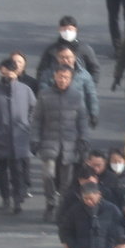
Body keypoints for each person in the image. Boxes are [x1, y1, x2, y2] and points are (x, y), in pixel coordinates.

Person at [32, 65, 89, 221]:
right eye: (60, 76)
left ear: (70, 79)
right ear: (55, 76)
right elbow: (37, 119)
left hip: (69, 145)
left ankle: (62, 208)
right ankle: (50, 202)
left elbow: (82, 120)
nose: (62, 80)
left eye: (66, 77)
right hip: (49, 142)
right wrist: (35, 139)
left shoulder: (77, 96)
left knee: (66, 181)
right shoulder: (44, 95)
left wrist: (84, 138)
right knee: (48, 175)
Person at [0, 58, 35, 215]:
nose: (9, 73)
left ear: (17, 71)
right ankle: (5, 198)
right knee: (2, 170)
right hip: (0, 137)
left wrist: (27, 124)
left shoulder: (25, 90)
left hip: (20, 137)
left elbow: (34, 108)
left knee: (17, 170)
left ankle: (17, 200)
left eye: (12, 70)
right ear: (1, 70)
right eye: (6, 70)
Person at [57, 183, 123, 248]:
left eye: (91, 198)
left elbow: (121, 231)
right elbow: (65, 229)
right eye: (85, 198)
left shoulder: (112, 210)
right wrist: (70, 245)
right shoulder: (75, 210)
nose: (88, 201)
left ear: (99, 195)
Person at [41, 46, 100, 128]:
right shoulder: (48, 74)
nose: (65, 60)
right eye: (62, 57)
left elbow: (91, 95)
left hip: (77, 116)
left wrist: (94, 113)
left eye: (68, 57)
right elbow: (43, 94)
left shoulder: (84, 75)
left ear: (74, 57)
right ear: (57, 58)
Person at [38, 16, 101, 82]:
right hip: (55, 87)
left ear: (76, 30)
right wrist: (43, 87)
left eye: (70, 29)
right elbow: (42, 70)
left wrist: (90, 86)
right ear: (59, 30)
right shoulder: (51, 50)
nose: (67, 32)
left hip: (79, 87)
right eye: (64, 29)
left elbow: (95, 69)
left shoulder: (84, 49)